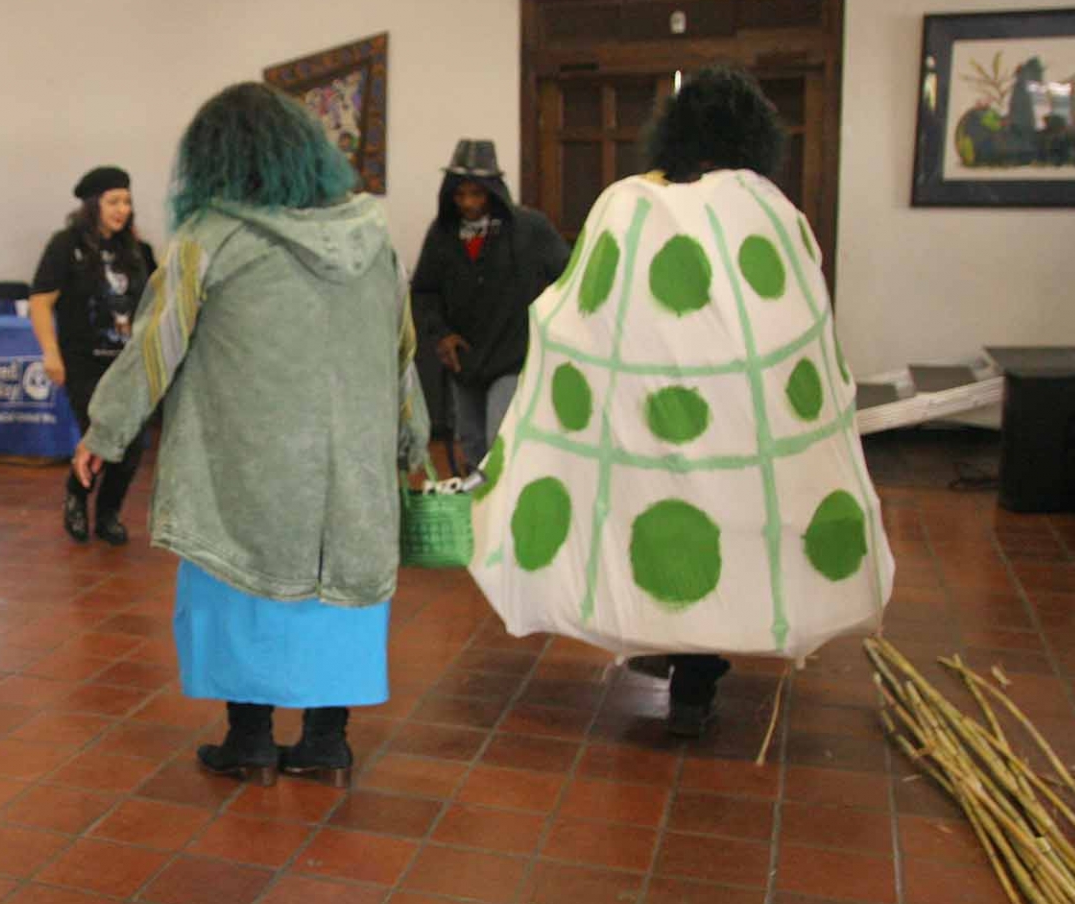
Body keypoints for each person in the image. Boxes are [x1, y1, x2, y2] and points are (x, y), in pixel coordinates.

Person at [468, 66, 894, 736]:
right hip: (739, 424)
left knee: (653, 519)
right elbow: (803, 323)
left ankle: (671, 645)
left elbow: (580, 307)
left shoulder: (626, 203)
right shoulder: (772, 211)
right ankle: (698, 669)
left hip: (645, 415)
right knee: (728, 524)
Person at [74, 84, 429, 786]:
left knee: (240, 592)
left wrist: (104, 433)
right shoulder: (372, 235)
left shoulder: (208, 239)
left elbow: (154, 346)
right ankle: (328, 745)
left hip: (245, 465)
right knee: (339, 599)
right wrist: (412, 438)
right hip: (350, 470)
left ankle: (251, 741)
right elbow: (401, 350)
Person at [410, 140, 569, 472]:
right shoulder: (442, 235)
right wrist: (441, 334)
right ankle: (474, 516)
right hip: (463, 359)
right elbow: (424, 290)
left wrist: (551, 328)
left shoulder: (530, 228)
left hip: (512, 354)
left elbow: (566, 276)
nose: (468, 203)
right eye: (460, 195)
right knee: (470, 443)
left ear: (493, 192)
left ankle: (500, 516)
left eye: (477, 194)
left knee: (500, 439)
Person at [30, 166, 157, 545]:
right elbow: (40, 302)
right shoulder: (66, 245)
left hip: (128, 364)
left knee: (132, 443)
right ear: (93, 204)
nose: (122, 209)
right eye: (113, 201)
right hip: (83, 361)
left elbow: (153, 304)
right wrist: (50, 353)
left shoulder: (138, 250)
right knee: (100, 433)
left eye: (127, 201)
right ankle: (76, 495)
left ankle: (108, 512)